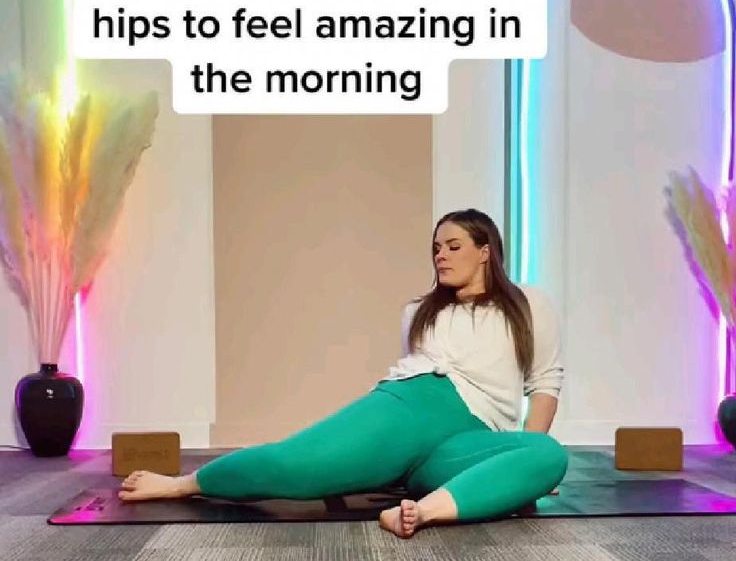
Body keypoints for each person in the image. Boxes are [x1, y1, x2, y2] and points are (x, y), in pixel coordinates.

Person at [119, 208, 569, 538]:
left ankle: (421, 512)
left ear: (485, 252)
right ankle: (182, 485)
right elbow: (410, 375)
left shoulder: (530, 304)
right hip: (407, 414)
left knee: (548, 455)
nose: (441, 256)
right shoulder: (419, 311)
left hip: (469, 438)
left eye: (453, 247)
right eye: (435, 248)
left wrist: (521, 451)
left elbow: (545, 382)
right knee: (291, 464)